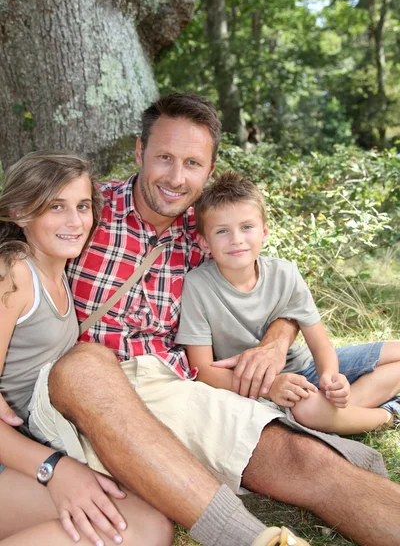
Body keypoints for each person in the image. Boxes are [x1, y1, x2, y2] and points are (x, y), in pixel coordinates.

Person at [4, 94, 400, 546]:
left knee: (303, 460)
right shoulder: (89, 209)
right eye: (164, 158)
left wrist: (275, 340)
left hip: (168, 386)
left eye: (192, 163)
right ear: (139, 153)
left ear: (209, 169)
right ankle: (245, 537)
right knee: (86, 360)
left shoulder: (211, 230)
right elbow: (24, 241)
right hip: (79, 391)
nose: (176, 178)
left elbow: (279, 289)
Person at [0, 152, 174, 546]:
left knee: (149, 522)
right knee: (143, 529)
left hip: (29, 446)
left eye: (82, 206)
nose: (75, 222)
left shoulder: (58, 271)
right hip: (14, 456)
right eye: (56, 207)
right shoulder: (13, 275)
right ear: (19, 212)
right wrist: (53, 470)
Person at [175, 170, 400, 435]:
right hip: (260, 389)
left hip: (304, 367)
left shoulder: (285, 273)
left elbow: (320, 344)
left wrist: (331, 376)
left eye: (247, 227)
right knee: (306, 409)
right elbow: (203, 371)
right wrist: (271, 387)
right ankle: (387, 415)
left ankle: (339, 411)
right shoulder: (198, 285)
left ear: (264, 231)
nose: (236, 239)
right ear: (204, 242)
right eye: (222, 231)